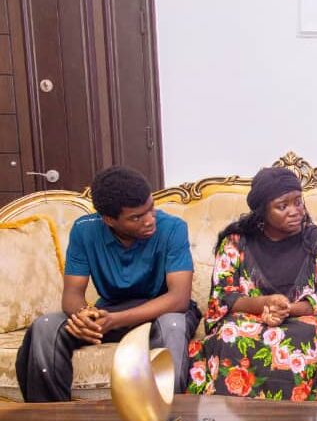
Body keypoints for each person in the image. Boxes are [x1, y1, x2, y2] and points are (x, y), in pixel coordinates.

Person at [17, 166, 200, 401]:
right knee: (45, 326)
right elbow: (71, 295)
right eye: (136, 217)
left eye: (150, 208)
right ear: (109, 220)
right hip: (110, 311)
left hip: (160, 312)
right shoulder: (84, 230)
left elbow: (178, 299)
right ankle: (52, 418)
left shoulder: (173, 228)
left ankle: (168, 415)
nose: (149, 220)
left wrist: (115, 320)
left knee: (173, 325)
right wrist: (85, 316)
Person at [187, 167, 317, 401]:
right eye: (282, 206)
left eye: (298, 202)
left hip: (305, 318)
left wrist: (286, 309)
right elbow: (224, 297)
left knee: (295, 337)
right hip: (250, 316)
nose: (295, 211)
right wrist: (265, 304)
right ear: (262, 212)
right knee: (231, 335)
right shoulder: (236, 243)